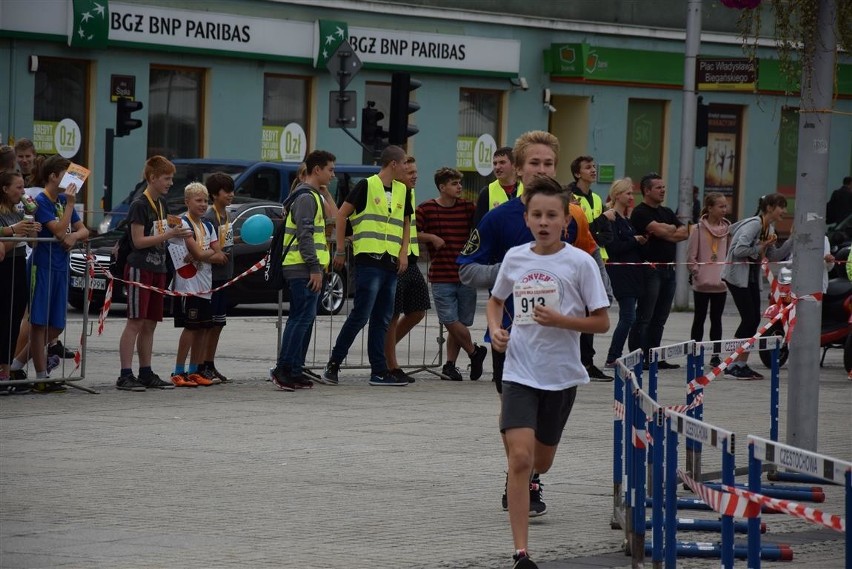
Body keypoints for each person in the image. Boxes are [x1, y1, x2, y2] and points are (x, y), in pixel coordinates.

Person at [458, 129, 610, 519]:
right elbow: (467, 270)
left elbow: (583, 264)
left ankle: (529, 471)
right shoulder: (497, 218)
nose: (541, 170)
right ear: (518, 169)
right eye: (534, 164)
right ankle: (522, 478)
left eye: (548, 164)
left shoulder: (569, 214)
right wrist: (515, 273)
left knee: (544, 436)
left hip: (559, 343)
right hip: (512, 341)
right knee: (514, 416)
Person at [486, 175, 609, 569]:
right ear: (526, 219)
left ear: (565, 221)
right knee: (519, 460)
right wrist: (495, 330)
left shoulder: (580, 263)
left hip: (561, 376)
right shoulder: (516, 257)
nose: (543, 221)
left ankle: (533, 461)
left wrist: (560, 320)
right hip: (519, 371)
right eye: (536, 214)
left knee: (541, 461)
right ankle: (521, 553)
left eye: (551, 215)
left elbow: (602, 323)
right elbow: (494, 301)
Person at [320, 145, 412, 387]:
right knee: (361, 315)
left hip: (391, 262)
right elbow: (341, 215)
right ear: (393, 164)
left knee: (382, 318)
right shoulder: (367, 185)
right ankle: (334, 364)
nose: (407, 168)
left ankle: (379, 371)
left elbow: (405, 224)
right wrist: (340, 249)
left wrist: (403, 253)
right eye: (404, 163)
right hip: (369, 259)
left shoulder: (404, 191)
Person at [10, 155, 89, 393]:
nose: (72, 179)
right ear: (54, 176)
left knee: (56, 326)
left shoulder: (63, 200)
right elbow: (56, 230)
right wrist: (71, 206)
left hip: (60, 266)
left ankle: (17, 364)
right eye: (67, 174)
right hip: (41, 266)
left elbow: (82, 229)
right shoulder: (42, 200)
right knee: (39, 323)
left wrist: (74, 236)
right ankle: (41, 376)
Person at [117, 156, 190, 392]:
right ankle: (125, 373)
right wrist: (169, 235)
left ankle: (145, 371)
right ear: (152, 178)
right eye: (166, 178)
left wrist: (181, 234)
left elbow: (166, 231)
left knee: (150, 323)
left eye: (171, 178)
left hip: (158, 267)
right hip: (140, 267)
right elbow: (138, 241)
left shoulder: (162, 204)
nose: (170, 183)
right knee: (135, 322)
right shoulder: (140, 204)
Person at [269, 150, 336, 391]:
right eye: (330, 169)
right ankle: (283, 369)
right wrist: (315, 269)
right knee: (300, 319)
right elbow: (305, 236)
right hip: (302, 268)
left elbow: (331, 218)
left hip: (304, 267)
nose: (333, 174)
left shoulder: (310, 195)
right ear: (316, 170)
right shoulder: (306, 197)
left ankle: (294, 370)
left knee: (303, 319)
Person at [416, 166, 486, 381]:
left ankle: (450, 365)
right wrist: (431, 238)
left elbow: (481, 229)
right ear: (442, 187)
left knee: (461, 323)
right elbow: (413, 233)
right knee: (449, 319)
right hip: (441, 274)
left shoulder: (467, 208)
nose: (459, 187)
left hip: (466, 273)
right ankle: (475, 352)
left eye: (460, 183)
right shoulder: (426, 208)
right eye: (454, 184)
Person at [721, 193, 793, 379]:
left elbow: (775, 256)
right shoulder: (754, 225)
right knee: (749, 319)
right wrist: (761, 247)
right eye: (781, 206)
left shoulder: (768, 227)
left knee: (753, 320)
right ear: (769, 207)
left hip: (751, 278)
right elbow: (739, 250)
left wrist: (793, 239)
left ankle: (739, 364)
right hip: (737, 277)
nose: (784, 211)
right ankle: (733, 364)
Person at [169, 182, 227, 387]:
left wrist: (204, 255)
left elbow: (219, 254)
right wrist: (205, 254)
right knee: (191, 328)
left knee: (203, 328)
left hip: (205, 285)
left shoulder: (208, 225)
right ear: (187, 202)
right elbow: (203, 253)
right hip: (188, 285)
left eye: (205, 201)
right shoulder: (182, 224)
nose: (203, 205)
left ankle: (194, 370)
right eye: (198, 200)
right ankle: (178, 370)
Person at [628, 173, 689, 369]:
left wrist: (667, 230)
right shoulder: (640, 212)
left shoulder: (667, 211)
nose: (663, 190)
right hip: (650, 269)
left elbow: (684, 233)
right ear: (646, 190)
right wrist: (669, 231)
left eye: (664, 187)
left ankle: (654, 355)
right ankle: (638, 356)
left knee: (660, 317)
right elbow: (666, 232)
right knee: (645, 315)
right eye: (658, 187)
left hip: (668, 269)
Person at [383, 155, 431, 384]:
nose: (415, 176)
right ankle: (391, 364)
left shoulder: (409, 194)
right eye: (410, 172)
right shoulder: (389, 193)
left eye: (415, 172)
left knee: (418, 309)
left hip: (410, 259)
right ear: (399, 172)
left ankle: (386, 351)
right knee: (392, 314)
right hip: (393, 260)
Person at [566, 155, 612, 380]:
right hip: (577, 259)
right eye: (588, 167)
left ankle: (588, 360)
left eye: (594, 166)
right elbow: (582, 230)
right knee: (578, 310)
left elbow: (604, 234)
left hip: (597, 257)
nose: (593, 170)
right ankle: (578, 360)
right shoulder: (569, 197)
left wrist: (600, 226)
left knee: (594, 308)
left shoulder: (595, 197)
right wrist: (601, 223)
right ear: (577, 173)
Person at [0, 172, 40, 394]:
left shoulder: (19, 213)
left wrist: (32, 228)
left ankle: (6, 370)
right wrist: (16, 233)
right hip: (4, 268)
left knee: (14, 320)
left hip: (18, 268)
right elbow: (4, 246)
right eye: (18, 188)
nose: (23, 192)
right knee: (3, 319)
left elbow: (32, 244)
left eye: (24, 187)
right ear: (5, 188)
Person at [601, 178, 647, 367]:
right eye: (628, 193)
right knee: (628, 316)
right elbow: (613, 247)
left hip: (633, 272)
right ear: (618, 195)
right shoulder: (611, 217)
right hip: (620, 272)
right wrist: (635, 241)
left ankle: (619, 354)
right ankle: (613, 356)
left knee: (631, 316)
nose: (631, 197)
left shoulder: (627, 220)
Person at [200, 172, 237, 384]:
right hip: (211, 278)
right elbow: (204, 247)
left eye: (232, 190)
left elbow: (224, 241)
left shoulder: (226, 215)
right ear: (215, 194)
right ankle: (202, 364)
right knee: (208, 324)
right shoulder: (209, 217)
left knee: (219, 323)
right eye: (226, 191)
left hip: (225, 276)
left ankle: (210, 363)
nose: (230, 195)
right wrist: (216, 256)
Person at [687, 192, 730, 367]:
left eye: (725, 206)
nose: (724, 210)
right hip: (702, 284)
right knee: (699, 318)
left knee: (717, 319)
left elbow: (729, 254)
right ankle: (694, 353)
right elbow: (691, 256)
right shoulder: (697, 229)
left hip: (721, 283)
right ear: (710, 208)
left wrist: (725, 273)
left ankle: (715, 355)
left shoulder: (728, 230)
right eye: (720, 206)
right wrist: (697, 271)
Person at [473, 146, 523, 226]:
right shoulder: (487, 192)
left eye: (502, 162)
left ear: (514, 165)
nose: (497, 167)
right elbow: (479, 227)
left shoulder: (527, 190)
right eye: (495, 163)